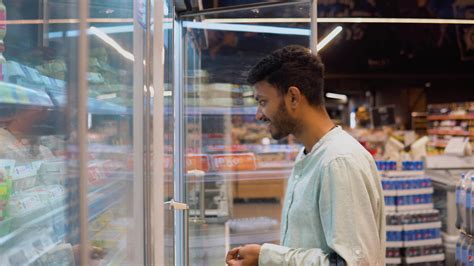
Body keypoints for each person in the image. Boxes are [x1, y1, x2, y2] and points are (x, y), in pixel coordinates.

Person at [225, 45, 385, 265]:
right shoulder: (309, 156)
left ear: (293, 97)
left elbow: (355, 262)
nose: (259, 115)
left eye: (263, 102)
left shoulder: (338, 161)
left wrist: (267, 258)